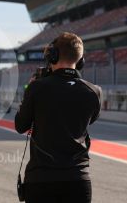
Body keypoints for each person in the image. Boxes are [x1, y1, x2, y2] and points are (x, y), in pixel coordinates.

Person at [15, 32, 102, 203]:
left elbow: (20, 125)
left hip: (41, 179)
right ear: (81, 60)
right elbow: (88, 120)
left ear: (52, 56)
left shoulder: (37, 88)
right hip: (78, 179)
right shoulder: (94, 91)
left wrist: (29, 92)